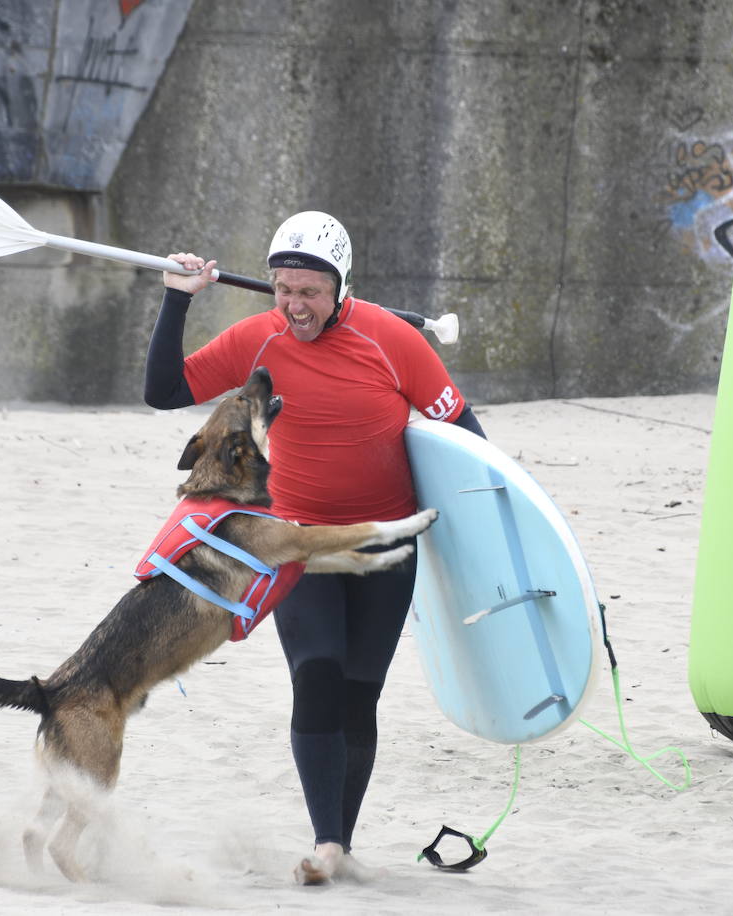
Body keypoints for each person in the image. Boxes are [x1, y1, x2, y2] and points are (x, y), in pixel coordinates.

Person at [143, 210, 485, 885]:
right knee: (318, 674)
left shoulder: (395, 343)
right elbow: (162, 391)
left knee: (361, 694)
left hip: (383, 546)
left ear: (340, 286)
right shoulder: (258, 340)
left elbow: (467, 438)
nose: (294, 306)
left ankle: (341, 841)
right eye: (282, 290)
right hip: (296, 541)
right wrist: (176, 299)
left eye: (308, 292)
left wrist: (478, 550)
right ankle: (327, 842)